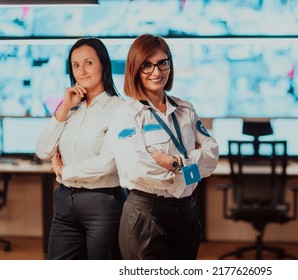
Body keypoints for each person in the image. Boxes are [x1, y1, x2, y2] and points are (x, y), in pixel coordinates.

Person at [106, 34, 219, 260]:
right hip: (147, 213)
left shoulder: (185, 109)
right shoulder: (127, 116)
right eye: (147, 65)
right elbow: (139, 170)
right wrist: (191, 167)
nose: (156, 72)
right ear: (135, 69)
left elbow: (212, 156)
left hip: (186, 211)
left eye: (162, 63)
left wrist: (174, 163)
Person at [35, 37, 127, 260]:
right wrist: (65, 106)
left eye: (88, 63)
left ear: (103, 64)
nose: (81, 71)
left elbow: (107, 163)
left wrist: (62, 171)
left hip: (102, 204)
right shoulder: (71, 109)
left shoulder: (121, 109)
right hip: (66, 201)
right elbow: (43, 151)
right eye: (75, 65)